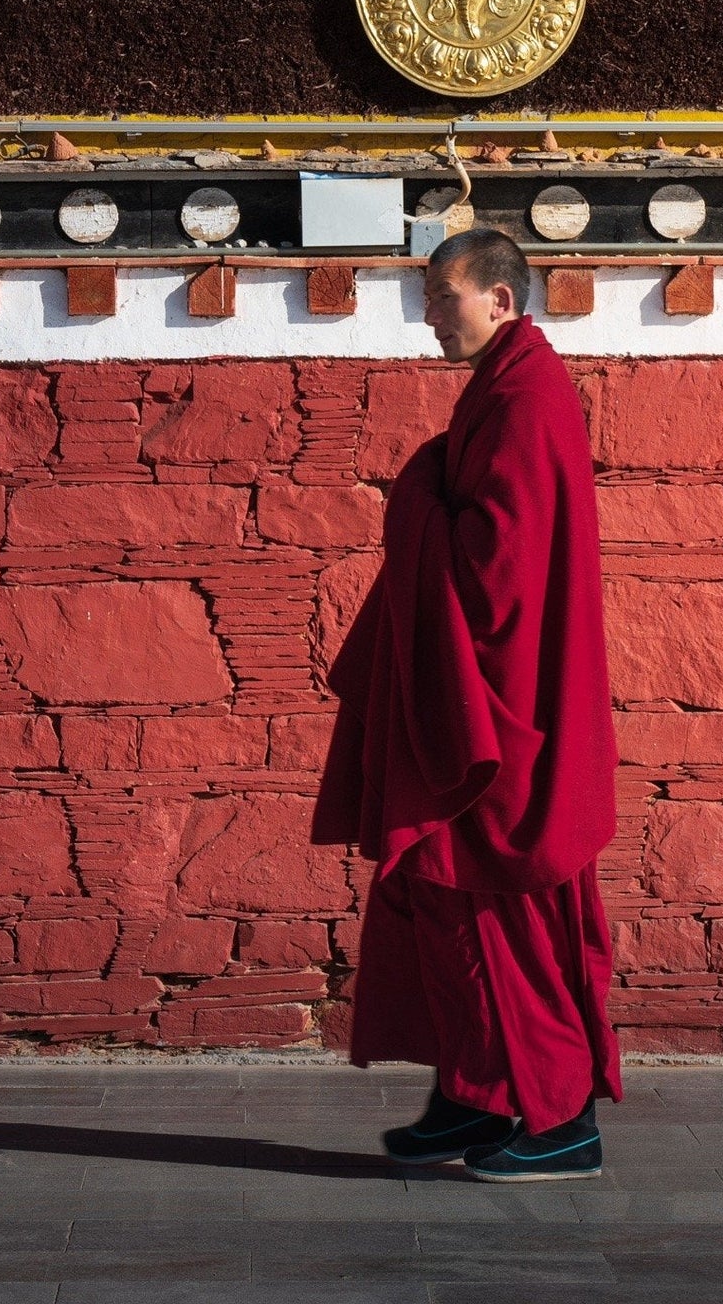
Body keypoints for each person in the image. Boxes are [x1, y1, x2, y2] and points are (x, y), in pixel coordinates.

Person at [311, 227, 620, 1184]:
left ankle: (562, 1119)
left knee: (505, 909)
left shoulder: (527, 402)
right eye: (428, 297)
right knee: (437, 895)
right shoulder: (501, 391)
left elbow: (501, 576)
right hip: (477, 701)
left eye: (445, 297)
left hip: (505, 712)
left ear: (502, 299)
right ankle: (476, 1093)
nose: (430, 316)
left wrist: (412, 499)